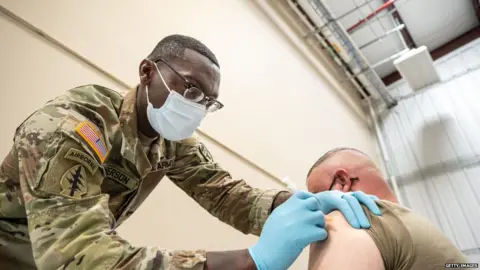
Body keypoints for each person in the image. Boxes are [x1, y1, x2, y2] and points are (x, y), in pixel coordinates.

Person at [0, 35, 381, 270]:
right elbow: (77, 255)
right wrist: (248, 262)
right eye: (191, 90)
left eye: (208, 102)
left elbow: (227, 194)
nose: (197, 107)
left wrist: (303, 203)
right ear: (147, 72)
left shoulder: (172, 143)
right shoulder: (75, 125)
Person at [306, 148, 471, 270]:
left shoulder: (347, 222)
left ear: (343, 181)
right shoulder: (417, 224)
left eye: (317, 195)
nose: (319, 209)